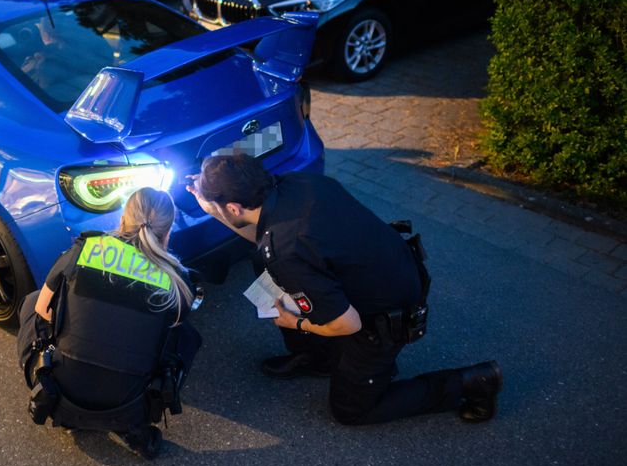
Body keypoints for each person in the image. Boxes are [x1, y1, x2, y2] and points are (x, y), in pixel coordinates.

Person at [185, 153, 503, 425]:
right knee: (266, 269)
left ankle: (470, 384)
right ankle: (320, 358)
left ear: (235, 207)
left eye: (216, 204)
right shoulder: (298, 184)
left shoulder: (288, 250)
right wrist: (212, 209)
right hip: (384, 272)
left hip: (382, 314)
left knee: (351, 411)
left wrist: (294, 322)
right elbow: (263, 238)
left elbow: (347, 323)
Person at [17, 187, 202, 459]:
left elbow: (44, 310)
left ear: (122, 220)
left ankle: (70, 415)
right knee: (185, 336)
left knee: (33, 302)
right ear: (167, 232)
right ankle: (134, 430)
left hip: (64, 390)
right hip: (131, 403)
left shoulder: (85, 249)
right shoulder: (177, 282)